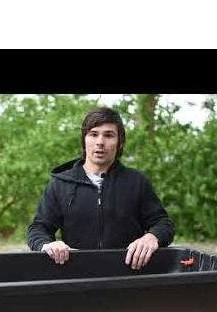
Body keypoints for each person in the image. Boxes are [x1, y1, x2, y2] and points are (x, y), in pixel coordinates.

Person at [27, 107, 175, 270]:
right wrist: (48, 244)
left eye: (109, 135)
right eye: (93, 134)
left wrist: (152, 237)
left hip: (128, 275)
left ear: (120, 142)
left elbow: (163, 223)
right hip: (77, 274)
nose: (100, 142)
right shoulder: (60, 184)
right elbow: (38, 228)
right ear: (84, 140)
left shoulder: (137, 182)